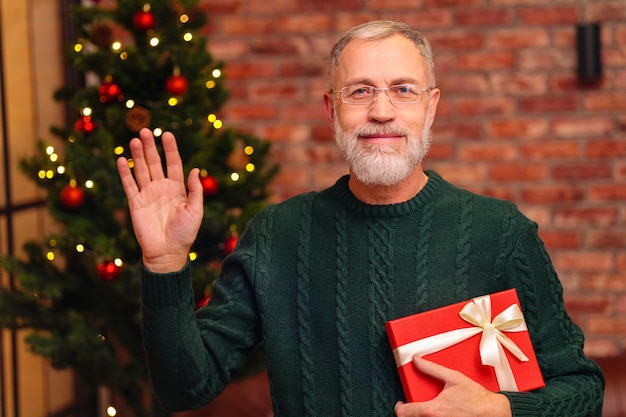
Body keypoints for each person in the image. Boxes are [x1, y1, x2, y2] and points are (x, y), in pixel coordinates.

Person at [117, 20, 604, 417]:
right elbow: (185, 389)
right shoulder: (276, 235)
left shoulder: (500, 232)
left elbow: (583, 391)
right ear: (332, 112)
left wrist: (500, 410)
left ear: (430, 108)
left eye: (403, 89)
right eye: (360, 91)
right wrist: (164, 264)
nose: (381, 110)